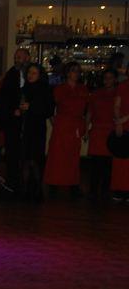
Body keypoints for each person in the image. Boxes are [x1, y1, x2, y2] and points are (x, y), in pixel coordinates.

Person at [43, 62, 89, 196]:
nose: (76, 73)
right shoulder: (60, 89)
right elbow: (50, 108)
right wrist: (56, 124)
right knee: (57, 155)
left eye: (78, 71)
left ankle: (73, 184)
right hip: (62, 124)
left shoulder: (83, 89)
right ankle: (54, 183)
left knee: (73, 156)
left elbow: (87, 110)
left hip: (76, 125)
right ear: (68, 73)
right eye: (74, 70)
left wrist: (85, 127)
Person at [0, 48, 31, 195]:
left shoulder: (33, 73)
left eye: (19, 57)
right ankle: (12, 181)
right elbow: (4, 96)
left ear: (27, 58)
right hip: (12, 121)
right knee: (12, 152)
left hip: (29, 121)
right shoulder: (11, 74)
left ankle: (28, 184)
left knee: (27, 153)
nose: (16, 59)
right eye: (16, 57)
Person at [19, 64, 55, 202]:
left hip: (37, 128)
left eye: (34, 73)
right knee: (25, 159)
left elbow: (49, 110)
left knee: (35, 159)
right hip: (25, 127)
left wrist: (32, 107)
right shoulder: (24, 89)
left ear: (40, 75)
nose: (30, 75)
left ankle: (37, 189)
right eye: (29, 72)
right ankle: (25, 189)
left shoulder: (45, 89)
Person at [87, 69, 118, 199]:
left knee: (108, 163)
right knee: (95, 162)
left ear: (115, 79)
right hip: (97, 130)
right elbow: (90, 112)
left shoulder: (118, 93)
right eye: (106, 78)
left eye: (110, 78)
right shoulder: (96, 93)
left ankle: (105, 190)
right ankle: (93, 190)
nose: (107, 80)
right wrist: (86, 129)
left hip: (111, 131)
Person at [112, 78, 129, 201]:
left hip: (124, 122)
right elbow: (116, 106)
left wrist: (123, 119)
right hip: (123, 125)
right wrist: (119, 122)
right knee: (120, 160)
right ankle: (119, 189)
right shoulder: (123, 86)